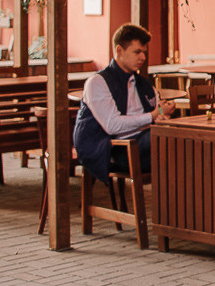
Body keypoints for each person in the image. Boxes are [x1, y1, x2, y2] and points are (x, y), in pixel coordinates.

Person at [73, 23, 176, 182]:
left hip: (143, 141)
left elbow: (155, 113)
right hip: (113, 150)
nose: (143, 57)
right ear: (119, 51)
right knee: (177, 145)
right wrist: (155, 115)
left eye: (144, 52)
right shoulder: (97, 82)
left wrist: (160, 117)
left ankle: (177, 204)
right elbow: (113, 125)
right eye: (137, 52)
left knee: (183, 140)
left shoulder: (142, 83)